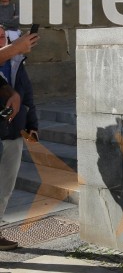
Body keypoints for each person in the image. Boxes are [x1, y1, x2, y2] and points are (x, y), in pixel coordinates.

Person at [0, 25, 37, 251]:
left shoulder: (16, 63)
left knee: (4, 189)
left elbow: (27, 96)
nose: (1, 39)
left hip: (12, 134)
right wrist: (14, 48)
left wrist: (32, 125)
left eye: (3, 36)